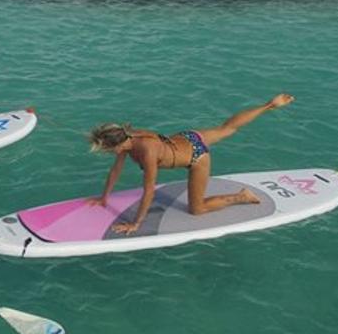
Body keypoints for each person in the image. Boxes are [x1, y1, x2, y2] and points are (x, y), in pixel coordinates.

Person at [86, 94, 296, 234]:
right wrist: (104, 198)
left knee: (197, 209)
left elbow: (149, 191)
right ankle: (270, 105)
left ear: (117, 144)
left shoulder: (146, 151)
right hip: (187, 137)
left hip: (196, 156)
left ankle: (241, 196)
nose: (108, 152)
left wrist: (136, 224)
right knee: (226, 128)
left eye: (106, 149)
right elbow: (116, 171)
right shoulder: (128, 137)